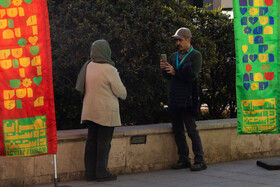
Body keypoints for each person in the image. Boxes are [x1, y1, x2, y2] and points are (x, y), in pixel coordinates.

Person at [76, 39, 127, 181]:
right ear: (106, 51)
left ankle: (90, 173)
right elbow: (121, 92)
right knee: (104, 142)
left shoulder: (88, 66)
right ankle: (102, 173)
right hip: (105, 112)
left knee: (91, 141)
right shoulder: (109, 69)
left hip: (90, 110)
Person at [160, 27, 207, 171]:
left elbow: (192, 75)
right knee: (178, 130)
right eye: (177, 40)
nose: (178, 43)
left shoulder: (196, 55)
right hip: (174, 97)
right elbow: (170, 77)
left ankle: (199, 160)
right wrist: (165, 70)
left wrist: (175, 71)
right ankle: (183, 159)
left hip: (188, 98)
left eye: (180, 40)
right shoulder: (174, 56)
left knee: (192, 130)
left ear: (188, 40)